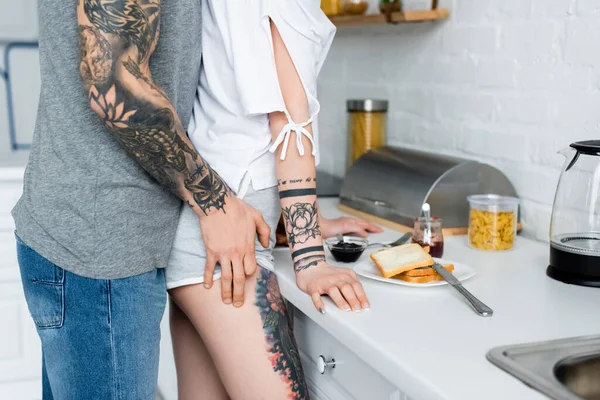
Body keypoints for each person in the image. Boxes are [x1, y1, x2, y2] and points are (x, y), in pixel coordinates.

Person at [13, 0, 380, 399]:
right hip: (152, 234)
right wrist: (308, 256)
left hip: (169, 226)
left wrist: (301, 220)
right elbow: (289, 124)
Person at [166, 1, 381, 399]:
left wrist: (312, 219)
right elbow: (289, 130)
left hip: (199, 238)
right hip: (228, 249)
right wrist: (311, 260)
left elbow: (243, 126)